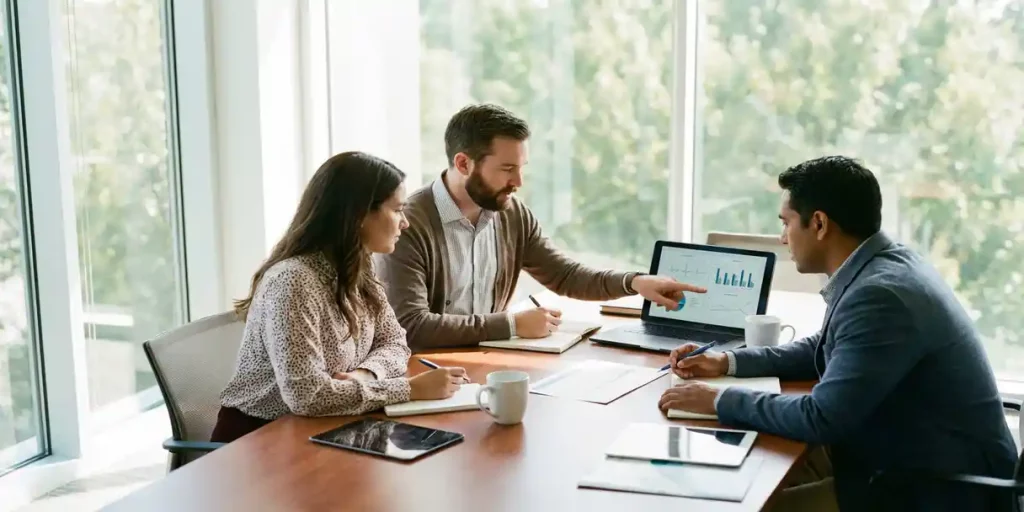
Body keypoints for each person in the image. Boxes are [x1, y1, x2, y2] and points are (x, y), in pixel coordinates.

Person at [658, 156, 1017, 511]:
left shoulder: (880, 296)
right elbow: (826, 344)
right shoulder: (885, 265)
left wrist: (719, 401)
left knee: (751, 502)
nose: (782, 238)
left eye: (786, 223)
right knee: (752, 472)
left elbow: (822, 417)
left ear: (819, 224)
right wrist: (728, 361)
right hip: (908, 457)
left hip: (933, 489)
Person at [376, 104, 705, 350]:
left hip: (487, 364)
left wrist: (634, 282)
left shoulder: (511, 213)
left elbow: (565, 276)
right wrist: (510, 325)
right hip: (426, 372)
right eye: (507, 169)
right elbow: (412, 326)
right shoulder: (408, 224)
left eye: (521, 168)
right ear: (463, 163)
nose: (518, 182)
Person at [211, 152, 467, 443]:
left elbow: (395, 342)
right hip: (259, 440)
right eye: (397, 210)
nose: (405, 223)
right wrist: (410, 389)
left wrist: (365, 375)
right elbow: (307, 397)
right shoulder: (293, 281)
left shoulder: (357, 267)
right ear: (358, 215)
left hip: (326, 428)